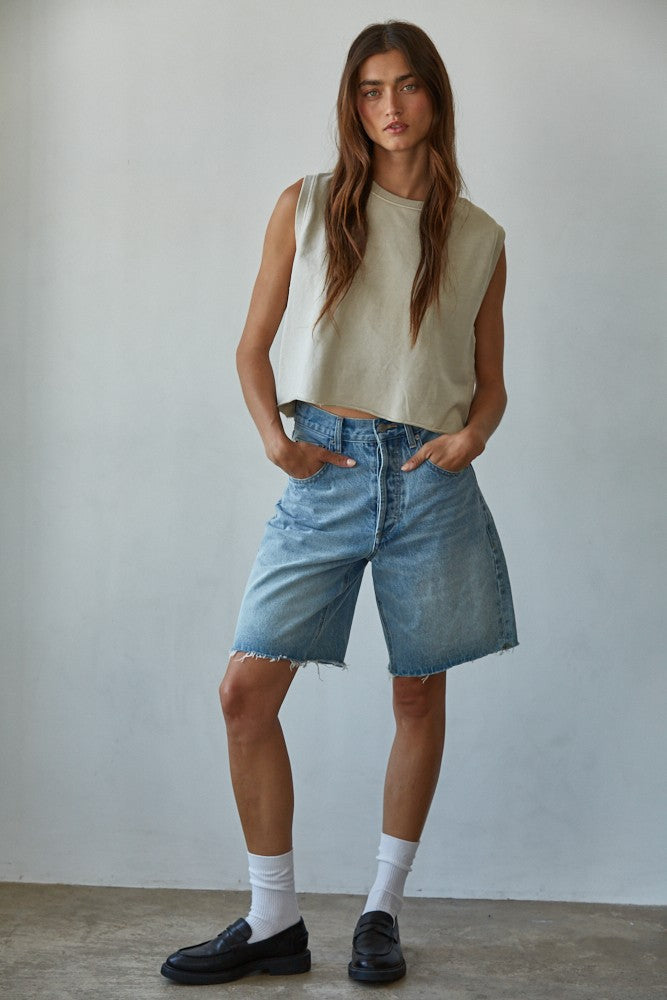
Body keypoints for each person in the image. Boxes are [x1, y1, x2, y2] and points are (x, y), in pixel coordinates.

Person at [161, 18, 518, 986]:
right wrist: (277, 439)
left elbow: (489, 383)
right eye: (369, 90)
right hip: (326, 466)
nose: (388, 108)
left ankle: (379, 910)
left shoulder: (478, 235)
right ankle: (272, 917)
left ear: (434, 96)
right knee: (244, 692)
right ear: (351, 103)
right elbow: (252, 345)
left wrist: (470, 438)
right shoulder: (309, 205)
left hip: (427, 481)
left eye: (405, 87)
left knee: (415, 692)